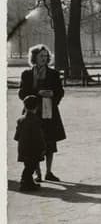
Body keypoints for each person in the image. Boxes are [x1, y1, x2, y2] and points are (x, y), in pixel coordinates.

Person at [17, 44, 66, 182]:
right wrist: (37, 94)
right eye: (41, 56)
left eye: (46, 56)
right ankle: (37, 173)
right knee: (34, 143)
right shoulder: (27, 74)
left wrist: (53, 95)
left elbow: (60, 92)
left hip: (49, 112)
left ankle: (49, 172)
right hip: (32, 112)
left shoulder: (53, 74)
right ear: (34, 57)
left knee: (50, 142)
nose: (44, 59)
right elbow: (22, 93)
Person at [15, 95, 45, 192]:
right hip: (33, 149)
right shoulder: (36, 121)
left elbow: (17, 136)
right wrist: (43, 147)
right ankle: (24, 183)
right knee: (30, 167)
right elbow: (39, 136)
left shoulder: (20, 120)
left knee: (28, 165)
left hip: (23, 148)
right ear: (36, 107)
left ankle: (29, 182)